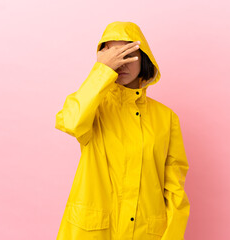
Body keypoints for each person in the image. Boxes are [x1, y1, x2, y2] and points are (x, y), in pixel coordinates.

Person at [55, 21, 190, 240]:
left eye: (128, 53)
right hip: (92, 231)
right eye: (115, 55)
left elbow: (174, 189)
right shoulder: (94, 107)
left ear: (144, 56)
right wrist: (101, 72)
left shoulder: (167, 118)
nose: (121, 63)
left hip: (146, 233)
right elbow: (70, 121)